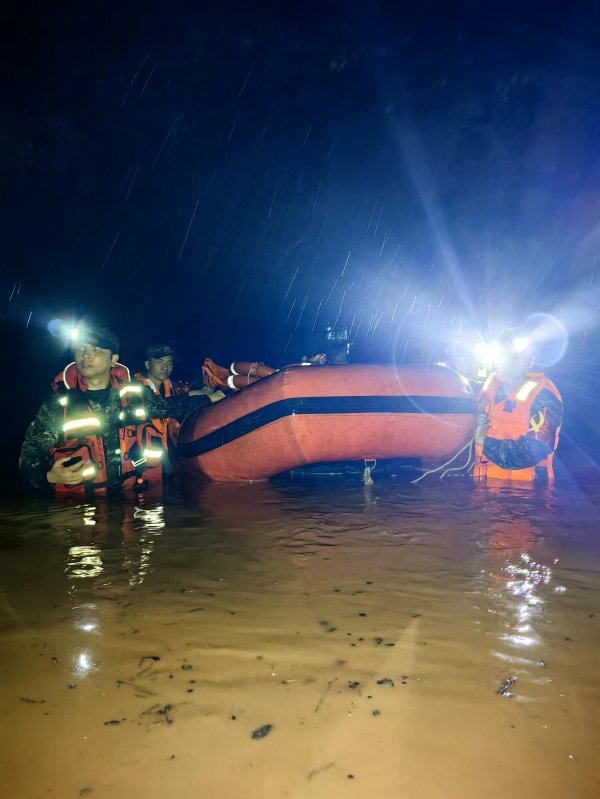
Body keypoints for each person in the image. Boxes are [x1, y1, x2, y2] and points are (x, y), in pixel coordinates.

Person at [19, 326, 218, 493]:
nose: (86, 355)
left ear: (113, 359)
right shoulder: (58, 404)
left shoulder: (134, 394)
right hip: (82, 506)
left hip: (133, 499)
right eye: (80, 349)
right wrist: (48, 475)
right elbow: (30, 452)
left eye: (96, 349)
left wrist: (208, 398)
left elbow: (165, 407)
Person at [473, 327, 563, 483]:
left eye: (520, 354)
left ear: (531, 359)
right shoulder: (487, 389)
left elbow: (533, 451)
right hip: (483, 489)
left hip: (527, 494)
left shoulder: (544, 397)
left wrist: (485, 442)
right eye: (507, 352)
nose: (513, 358)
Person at [134, 344, 191, 448]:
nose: (165, 367)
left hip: (169, 453)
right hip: (143, 452)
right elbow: (156, 409)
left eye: (169, 363)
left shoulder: (176, 388)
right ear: (147, 365)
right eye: (160, 362)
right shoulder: (134, 388)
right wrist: (194, 395)